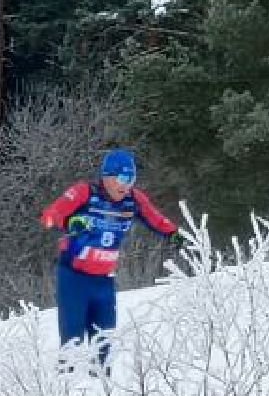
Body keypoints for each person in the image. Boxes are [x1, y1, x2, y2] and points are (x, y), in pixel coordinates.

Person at [38, 148, 179, 369]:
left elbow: (157, 220)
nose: (126, 185)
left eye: (131, 179)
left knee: (105, 344)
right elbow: (50, 216)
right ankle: (64, 393)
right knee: (72, 341)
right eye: (122, 178)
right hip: (74, 278)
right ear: (107, 176)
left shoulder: (133, 201)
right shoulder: (85, 193)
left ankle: (103, 395)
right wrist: (69, 222)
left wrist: (178, 236)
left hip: (103, 280)